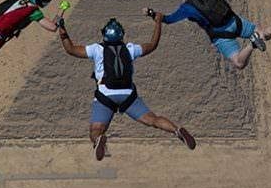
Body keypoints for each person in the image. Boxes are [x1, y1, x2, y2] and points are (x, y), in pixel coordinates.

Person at [57, 13, 196, 161]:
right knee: (153, 119)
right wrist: (158, 22)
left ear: (104, 35)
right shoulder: (130, 49)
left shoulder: (96, 49)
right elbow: (152, 45)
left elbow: (70, 49)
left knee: (95, 130)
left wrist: (62, 28)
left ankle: (98, 140)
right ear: (121, 35)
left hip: (105, 96)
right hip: (128, 95)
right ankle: (176, 130)